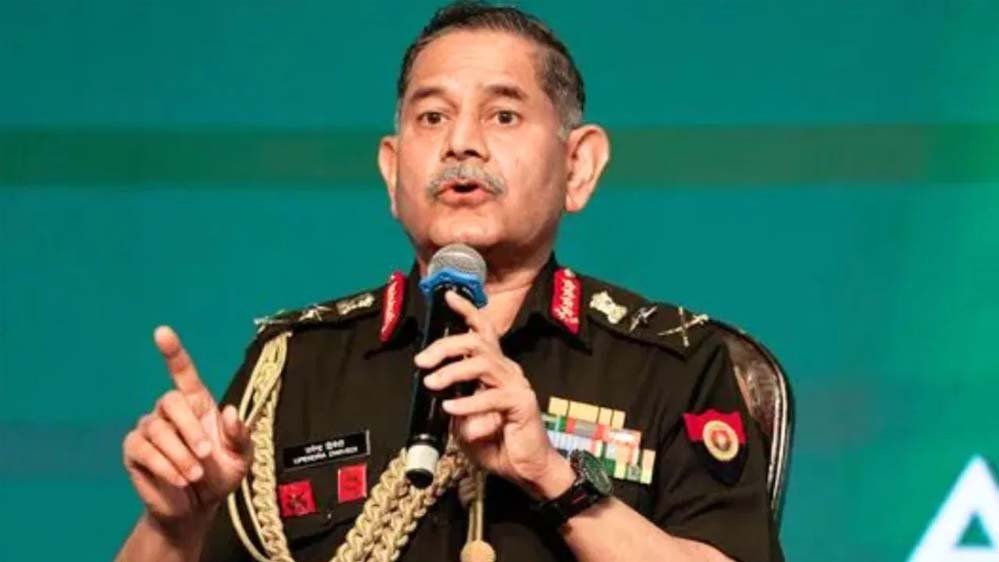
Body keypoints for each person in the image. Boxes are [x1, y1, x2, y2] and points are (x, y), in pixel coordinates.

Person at [115, 2, 784, 561]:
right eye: (431, 117)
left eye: (503, 115)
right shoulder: (295, 367)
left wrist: (555, 478)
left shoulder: (673, 365)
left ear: (578, 167)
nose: (461, 143)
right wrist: (173, 526)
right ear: (391, 170)